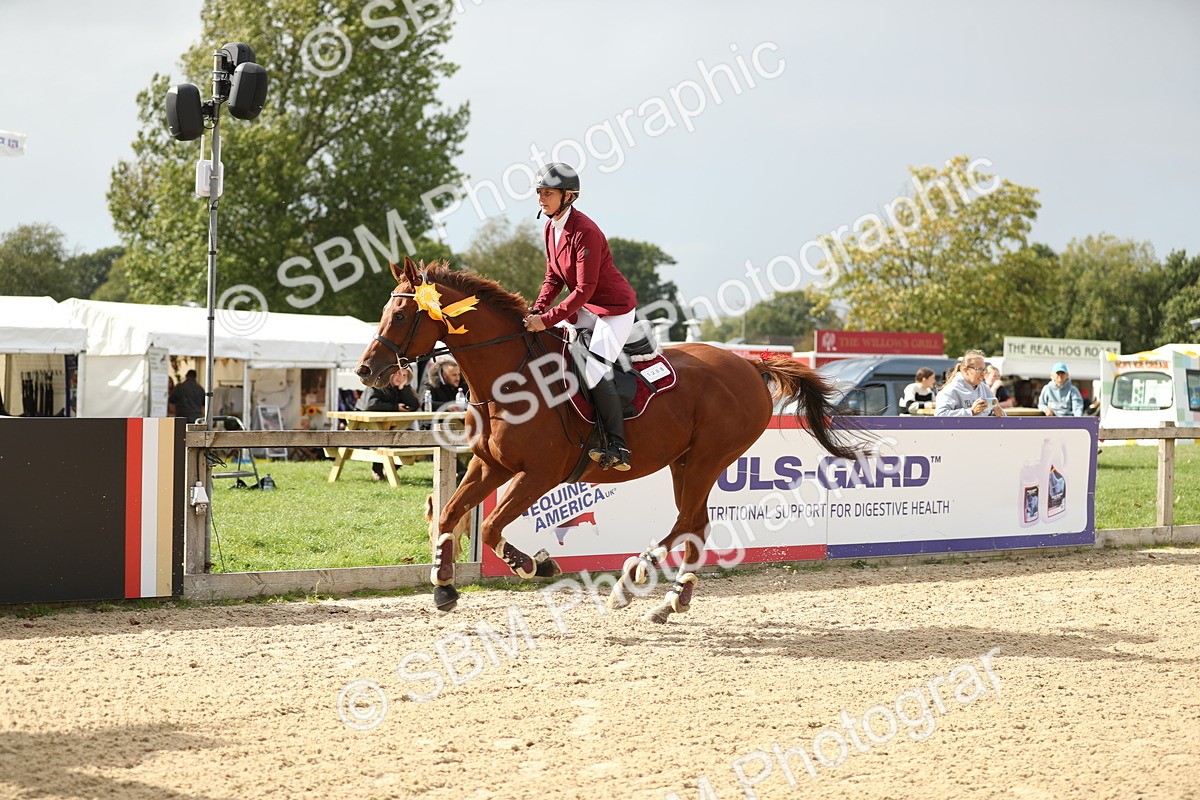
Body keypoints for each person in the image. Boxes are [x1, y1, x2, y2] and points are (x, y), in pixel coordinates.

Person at [523, 162, 638, 471]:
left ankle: (617, 444)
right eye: (539, 192)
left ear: (569, 196)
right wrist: (537, 309)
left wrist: (547, 318)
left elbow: (585, 290)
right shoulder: (550, 227)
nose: (541, 198)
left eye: (548, 193)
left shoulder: (585, 231)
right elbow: (553, 278)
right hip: (586, 309)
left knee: (595, 371)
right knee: (551, 345)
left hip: (613, 309)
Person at [356, 366, 420, 481]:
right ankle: (378, 469)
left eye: (404, 375)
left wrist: (402, 388)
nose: (401, 377)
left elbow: (414, 405)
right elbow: (370, 405)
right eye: (398, 374)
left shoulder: (401, 387)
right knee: (382, 437)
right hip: (366, 428)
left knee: (410, 438)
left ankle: (390, 468)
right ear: (390, 373)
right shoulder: (378, 384)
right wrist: (395, 407)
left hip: (392, 427)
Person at [935, 350, 1005, 417]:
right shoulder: (951, 389)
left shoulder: (985, 388)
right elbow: (940, 415)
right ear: (965, 370)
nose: (983, 374)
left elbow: (1001, 415)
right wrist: (971, 411)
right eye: (979, 369)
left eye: (984, 370)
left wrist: (999, 414)